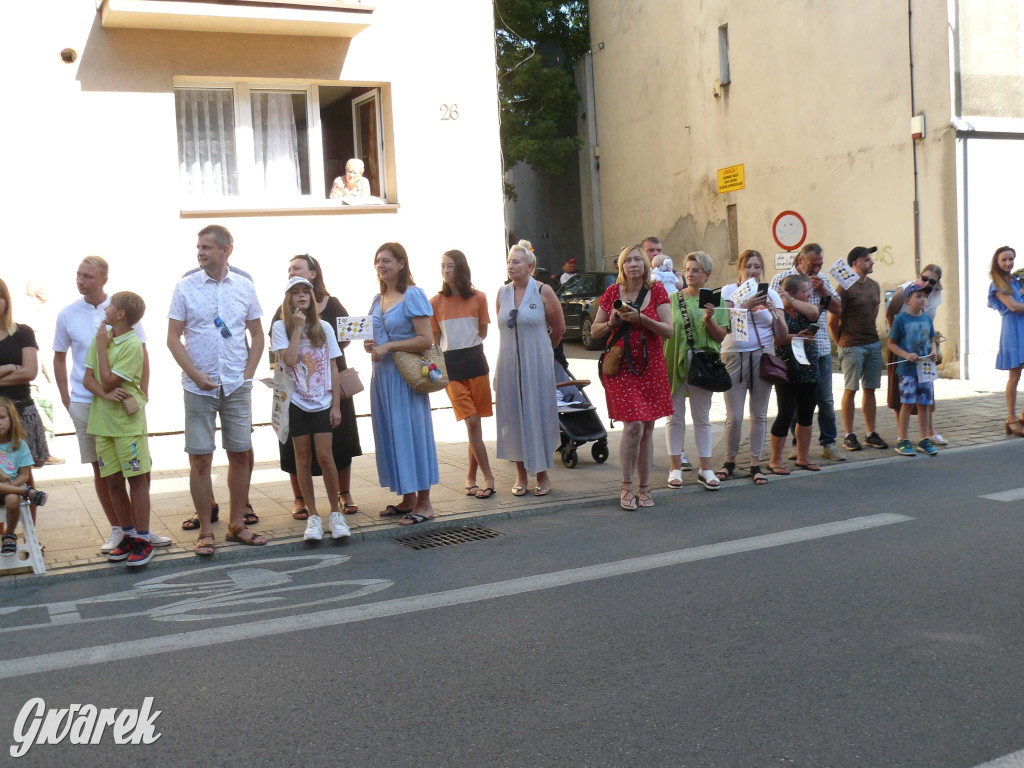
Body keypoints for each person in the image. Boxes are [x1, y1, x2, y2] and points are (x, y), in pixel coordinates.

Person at [53, 257, 172, 554]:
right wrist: (67, 399)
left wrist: (142, 393)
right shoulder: (68, 314)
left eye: (87, 276)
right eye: (78, 274)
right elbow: (68, 362)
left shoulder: (125, 316)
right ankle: (120, 529)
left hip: (122, 408)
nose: (80, 280)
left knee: (137, 473)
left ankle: (140, 533)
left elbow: (140, 354)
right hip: (86, 405)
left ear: (103, 279)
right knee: (104, 472)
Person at [167, 224, 266, 556]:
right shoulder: (185, 287)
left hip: (236, 385)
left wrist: (248, 374)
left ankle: (237, 524)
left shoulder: (245, 286)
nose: (200, 252)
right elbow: (173, 338)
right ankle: (206, 530)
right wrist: (195, 375)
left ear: (227, 250)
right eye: (199, 247)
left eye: (207, 247)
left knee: (240, 453)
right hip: (199, 389)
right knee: (200, 457)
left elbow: (257, 335)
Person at [271, 254, 362, 519]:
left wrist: (335, 404)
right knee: (300, 454)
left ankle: (337, 506)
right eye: (289, 273)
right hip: (296, 396)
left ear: (313, 276)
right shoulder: (281, 322)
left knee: (328, 453)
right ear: (288, 298)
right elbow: (285, 359)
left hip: (324, 394)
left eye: (297, 269)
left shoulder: (326, 317)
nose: (300, 295)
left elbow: (339, 350)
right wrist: (298, 328)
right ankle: (308, 509)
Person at [592, 244, 674, 509]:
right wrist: (612, 323)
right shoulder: (612, 293)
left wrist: (640, 318)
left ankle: (645, 487)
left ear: (646, 265)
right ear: (621, 266)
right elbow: (594, 332)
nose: (634, 264)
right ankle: (626, 487)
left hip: (651, 366)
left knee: (648, 427)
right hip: (621, 366)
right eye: (629, 261)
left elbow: (668, 330)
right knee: (634, 424)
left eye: (638, 259)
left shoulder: (657, 290)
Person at [365, 242, 440, 525]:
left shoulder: (413, 295)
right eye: (377, 261)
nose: (381, 265)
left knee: (412, 434)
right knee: (393, 435)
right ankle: (408, 498)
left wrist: (390, 347)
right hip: (383, 377)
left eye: (386, 260)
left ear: (400, 263)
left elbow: (426, 339)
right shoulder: (377, 299)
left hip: (407, 378)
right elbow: (378, 338)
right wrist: (373, 346)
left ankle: (425, 502)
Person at [83, 292, 156, 567]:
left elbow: (109, 381)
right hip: (102, 424)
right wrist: (103, 395)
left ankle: (143, 538)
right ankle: (127, 535)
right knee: (113, 481)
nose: (107, 308)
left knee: (136, 479)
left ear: (121, 314)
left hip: (127, 427)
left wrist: (102, 347)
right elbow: (89, 380)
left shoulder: (132, 344)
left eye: (111, 305)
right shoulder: (102, 339)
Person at [495, 239, 564, 497]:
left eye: (516, 262)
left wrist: (544, 351)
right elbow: (502, 328)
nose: (511, 266)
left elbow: (559, 329)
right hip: (509, 364)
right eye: (509, 262)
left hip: (536, 364)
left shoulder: (543, 290)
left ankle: (543, 474)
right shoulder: (502, 293)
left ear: (530, 266)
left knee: (537, 414)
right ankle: (521, 474)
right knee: (514, 417)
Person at [769, 243, 845, 462]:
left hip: (817, 348)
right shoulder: (781, 279)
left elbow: (837, 310)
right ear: (800, 260)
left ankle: (828, 443)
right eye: (813, 264)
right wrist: (793, 300)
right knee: (790, 406)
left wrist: (823, 291)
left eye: (820, 264)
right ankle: (796, 446)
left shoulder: (823, 281)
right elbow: (775, 310)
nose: (817, 269)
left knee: (825, 400)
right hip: (789, 353)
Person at [718, 250, 788, 486]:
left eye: (757, 267)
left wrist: (771, 311)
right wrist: (745, 305)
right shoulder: (729, 291)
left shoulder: (772, 296)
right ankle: (729, 462)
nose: (753, 271)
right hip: (734, 355)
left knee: (758, 415)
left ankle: (755, 464)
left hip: (763, 354)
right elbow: (722, 322)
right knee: (734, 416)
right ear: (740, 268)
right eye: (748, 266)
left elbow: (782, 334)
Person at [431, 249, 496, 499]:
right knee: (471, 421)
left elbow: (483, 332)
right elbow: (436, 341)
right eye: (442, 266)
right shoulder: (435, 302)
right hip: (452, 366)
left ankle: (470, 477)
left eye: (450, 266)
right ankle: (488, 476)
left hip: (476, 362)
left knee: (475, 424)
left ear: (461, 268)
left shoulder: (479, 297)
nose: (446, 271)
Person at [662, 251, 729, 491]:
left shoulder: (716, 301)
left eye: (696, 270)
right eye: (687, 269)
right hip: (674, 360)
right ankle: (675, 469)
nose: (690, 274)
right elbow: (663, 332)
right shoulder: (671, 299)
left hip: (703, 362)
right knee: (674, 417)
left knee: (702, 417)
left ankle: (706, 468)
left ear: (707, 274)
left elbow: (720, 336)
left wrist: (709, 318)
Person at [829, 246, 889, 452]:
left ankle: (870, 433)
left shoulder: (874, 285)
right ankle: (848, 434)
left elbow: (874, 312)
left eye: (870, 259)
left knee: (870, 389)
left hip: (872, 343)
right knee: (851, 389)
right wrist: (841, 344)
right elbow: (832, 321)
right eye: (866, 259)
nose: (871, 262)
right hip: (851, 345)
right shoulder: (844, 288)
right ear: (854, 264)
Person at [767, 275, 824, 473]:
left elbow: (815, 314)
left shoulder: (805, 308)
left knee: (807, 412)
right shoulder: (778, 309)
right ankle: (775, 460)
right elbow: (776, 338)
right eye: (804, 291)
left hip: (809, 366)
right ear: (790, 293)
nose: (808, 294)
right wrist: (796, 338)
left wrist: (794, 301)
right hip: (786, 367)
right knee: (785, 412)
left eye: (808, 291)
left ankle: (803, 457)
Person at [886, 264, 946, 445]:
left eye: (931, 281)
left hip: (924, 355)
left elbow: (931, 332)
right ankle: (902, 436)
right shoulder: (905, 290)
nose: (927, 282)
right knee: (903, 396)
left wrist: (934, 350)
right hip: (904, 350)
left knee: (925, 397)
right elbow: (890, 315)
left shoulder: (932, 300)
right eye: (924, 277)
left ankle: (927, 434)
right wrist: (901, 344)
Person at [0, 278, 50, 469]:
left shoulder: (23, 332)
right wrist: (10, 367)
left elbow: (30, 371)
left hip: (21, 411)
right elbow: (22, 370)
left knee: (24, 472)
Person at [0, 398, 46, 557]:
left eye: (2, 418)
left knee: (13, 500)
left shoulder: (19, 445)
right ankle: (28, 493)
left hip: (12, 487)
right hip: (18, 489)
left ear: (11, 419)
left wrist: (12, 485)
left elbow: (24, 475)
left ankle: (9, 535)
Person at [987, 246, 1024, 436]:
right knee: (1015, 375)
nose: (1008, 263)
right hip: (1013, 328)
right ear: (997, 261)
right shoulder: (998, 283)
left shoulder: (1016, 281)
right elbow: (1013, 305)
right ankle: (1011, 418)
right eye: (1004, 260)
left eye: (1011, 259)